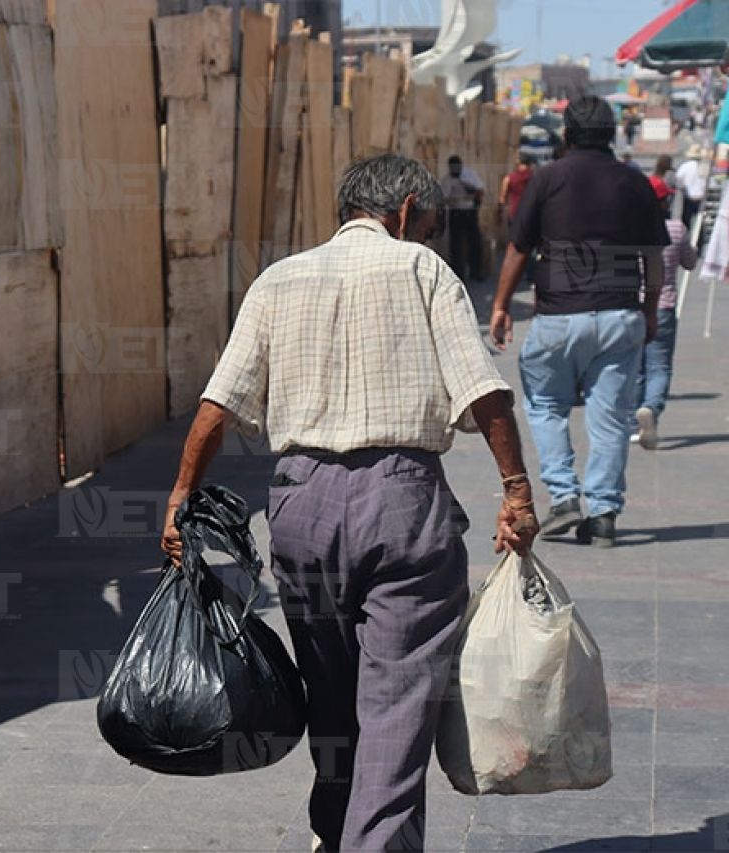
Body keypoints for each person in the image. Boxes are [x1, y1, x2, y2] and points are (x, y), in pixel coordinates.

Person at [162, 153, 538, 853]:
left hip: (301, 506)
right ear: (401, 212)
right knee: (396, 707)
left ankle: (334, 834)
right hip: (402, 503)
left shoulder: (280, 278)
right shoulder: (422, 271)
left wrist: (180, 493)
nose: (425, 239)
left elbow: (219, 402)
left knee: (332, 695)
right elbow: (480, 389)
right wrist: (515, 488)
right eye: (424, 225)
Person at [490, 95, 669, 548]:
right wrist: (649, 313)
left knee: (546, 405)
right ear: (613, 136)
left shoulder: (547, 179)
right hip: (619, 316)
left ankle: (565, 497)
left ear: (566, 135)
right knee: (610, 417)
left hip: (559, 316)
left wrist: (500, 306)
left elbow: (518, 248)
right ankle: (604, 514)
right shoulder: (636, 183)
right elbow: (654, 258)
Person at [634, 208, 698, 450]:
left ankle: (634, 421)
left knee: (637, 367)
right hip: (664, 304)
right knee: (659, 365)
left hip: (633, 305)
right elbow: (690, 262)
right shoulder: (676, 228)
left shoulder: (631, 227)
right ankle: (650, 408)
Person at [443, 154, 485, 281]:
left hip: (469, 211)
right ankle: (458, 273)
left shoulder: (469, 175)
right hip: (455, 212)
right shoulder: (447, 179)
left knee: (475, 242)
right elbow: (444, 197)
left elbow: (480, 190)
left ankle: (476, 271)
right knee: (455, 244)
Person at [674, 145, 708, 229]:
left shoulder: (685, 166)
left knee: (686, 222)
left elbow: (678, 178)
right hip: (701, 198)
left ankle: (685, 239)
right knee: (700, 223)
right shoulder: (704, 167)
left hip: (689, 197)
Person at [499, 153, 536, 228]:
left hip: (515, 213)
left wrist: (499, 212)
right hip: (532, 213)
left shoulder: (508, 178)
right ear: (530, 164)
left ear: (517, 164)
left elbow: (502, 198)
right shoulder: (536, 177)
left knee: (513, 238)